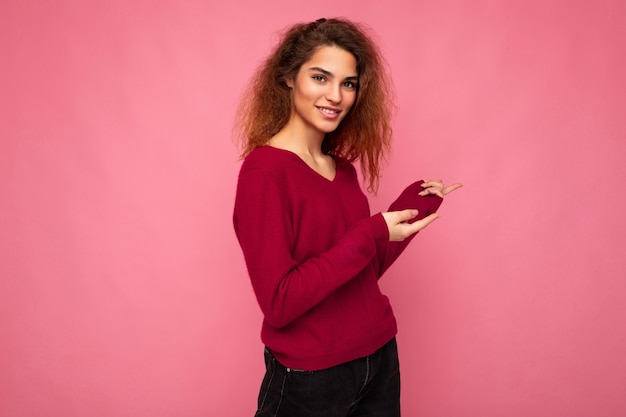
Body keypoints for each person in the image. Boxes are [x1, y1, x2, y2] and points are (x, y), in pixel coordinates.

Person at [233, 17, 461, 417]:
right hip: (312, 378)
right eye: (321, 78)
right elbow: (280, 302)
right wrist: (372, 230)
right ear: (288, 77)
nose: (336, 95)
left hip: (379, 361)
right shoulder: (264, 173)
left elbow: (360, 271)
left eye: (348, 83)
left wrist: (409, 210)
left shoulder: (342, 170)